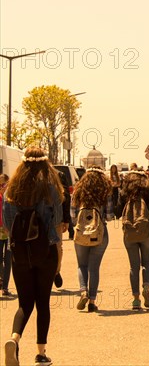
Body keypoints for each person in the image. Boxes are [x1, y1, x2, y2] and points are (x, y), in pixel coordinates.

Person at [2, 147, 64, 366]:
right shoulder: (49, 189)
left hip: (19, 254)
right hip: (45, 252)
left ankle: (13, 338)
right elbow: (57, 220)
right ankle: (40, 354)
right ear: (45, 164)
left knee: (24, 303)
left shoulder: (12, 189)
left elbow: (8, 225)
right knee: (43, 303)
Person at [115, 171, 149, 310]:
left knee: (133, 266)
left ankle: (135, 300)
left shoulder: (124, 192)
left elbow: (117, 212)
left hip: (130, 231)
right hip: (146, 230)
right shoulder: (147, 190)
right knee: (147, 262)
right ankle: (146, 287)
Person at [71, 166, 112, 313]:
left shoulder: (78, 192)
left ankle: (83, 292)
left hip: (81, 232)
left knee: (82, 265)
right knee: (94, 267)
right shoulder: (105, 192)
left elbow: (72, 215)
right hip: (99, 233)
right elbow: (109, 216)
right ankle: (92, 302)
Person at [54, 171, 73, 289]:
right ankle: (53, 272)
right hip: (48, 219)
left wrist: (66, 220)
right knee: (57, 246)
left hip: (57, 219)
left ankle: (56, 271)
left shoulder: (60, 175)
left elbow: (66, 199)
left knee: (57, 246)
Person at [0, 174, 13, 296]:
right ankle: (1, 278)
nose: (1, 187)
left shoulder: (10, 197)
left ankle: (5, 287)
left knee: (8, 260)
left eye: (3, 185)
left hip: (8, 232)